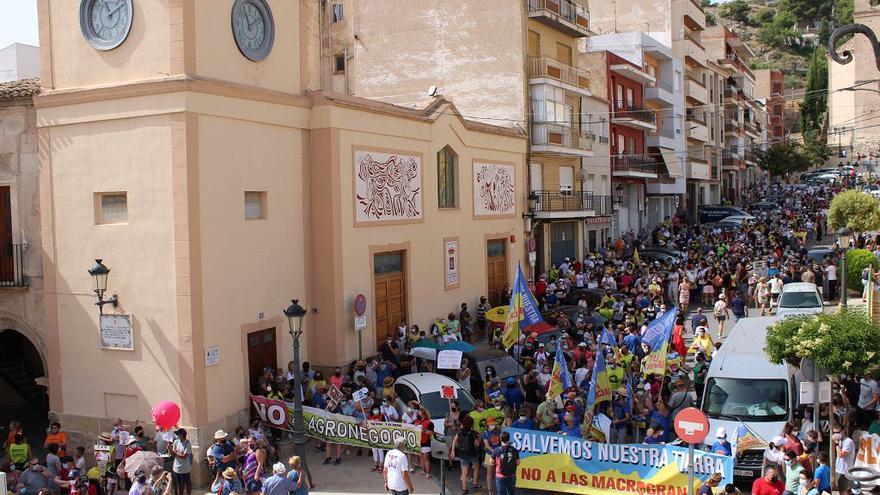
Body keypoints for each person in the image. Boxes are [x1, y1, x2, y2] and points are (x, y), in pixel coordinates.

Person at [451, 415, 482, 494]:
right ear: (471, 424)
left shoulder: (460, 431)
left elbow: (454, 440)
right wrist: (480, 437)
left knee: (464, 473)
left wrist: (453, 451)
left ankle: (464, 489)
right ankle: (475, 483)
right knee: (476, 466)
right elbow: (477, 444)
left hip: (462, 454)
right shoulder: (472, 433)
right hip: (472, 454)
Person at [833, 426, 855, 495]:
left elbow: (841, 455)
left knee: (843, 491)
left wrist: (836, 443)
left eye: (838, 432)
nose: (836, 434)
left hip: (845, 471)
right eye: (834, 432)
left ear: (843, 431)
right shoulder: (840, 440)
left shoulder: (848, 441)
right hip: (839, 469)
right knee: (841, 490)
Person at [171, 428, 192, 495]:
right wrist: (170, 449)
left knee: (186, 482)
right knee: (179, 484)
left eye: (178, 434)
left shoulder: (187, 443)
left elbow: (184, 456)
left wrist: (176, 452)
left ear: (182, 435)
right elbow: (173, 454)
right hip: (176, 468)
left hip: (184, 468)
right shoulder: (176, 442)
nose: (177, 435)